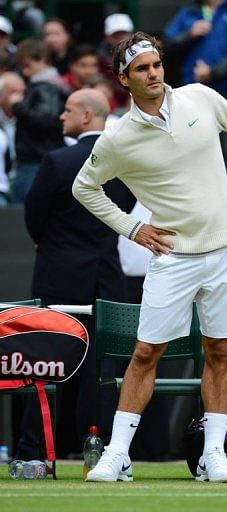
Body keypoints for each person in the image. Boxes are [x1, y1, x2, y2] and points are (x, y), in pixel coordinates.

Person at [72, 31, 227, 483]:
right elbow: (84, 187)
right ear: (124, 79)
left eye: (156, 65)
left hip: (225, 251)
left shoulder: (200, 96)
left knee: (218, 349)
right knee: (145, 352)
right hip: (174, 257)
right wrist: (134, 228)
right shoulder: (116, 137)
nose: (153, 74)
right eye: (142, 69)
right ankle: (116, 455)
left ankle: (214, 456)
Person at [17, 89, 136, 460]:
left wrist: (52, 243)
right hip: (105, 276)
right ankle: (101, 450)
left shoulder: (57, 161)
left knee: (45, 360)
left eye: (67, 110)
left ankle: (36, 449)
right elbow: (124, 211)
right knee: (103, 367)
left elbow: (34, 216)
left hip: (58, 275)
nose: (60, 116)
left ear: (87, 116)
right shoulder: (124, 165)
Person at [162, 0, 227, 191]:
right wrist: (189, 34)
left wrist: (214, 72)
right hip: (190, 96)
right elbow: (165, 45)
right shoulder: (189, 12)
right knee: (189, 150)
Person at [10, 38, 67, 203]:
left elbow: (45, 118)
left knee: (22, 216)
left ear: (41, 59)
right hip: (40, 160)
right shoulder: (50, 85)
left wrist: (17, 106)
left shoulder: (46, 87)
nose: (25, 72)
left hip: (35, 161)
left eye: (27, 66)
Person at [97, 13, 134, 115]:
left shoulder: (141, 57)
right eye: (115, 34)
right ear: (107, 37)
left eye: (124, 33)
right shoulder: (98, 60)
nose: (120, 38)